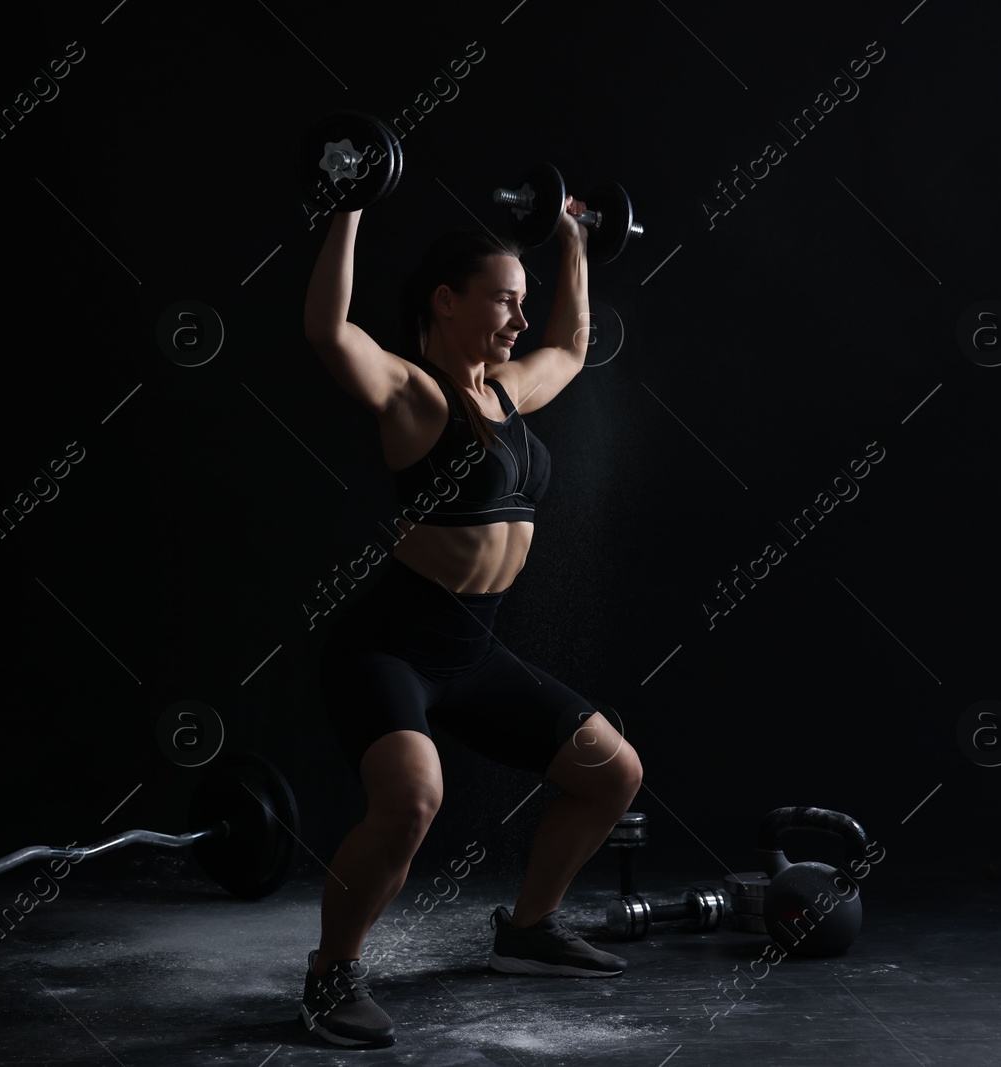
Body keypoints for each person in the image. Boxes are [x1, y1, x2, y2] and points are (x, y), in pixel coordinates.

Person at [297, 201, 644, 1049]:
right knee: (414, 799)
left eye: (523, 301)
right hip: (389, 649)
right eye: (501, 300)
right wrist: (348, 202)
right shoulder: (416, 396)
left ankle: (528, 932)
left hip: (472, 649)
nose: (520, 318)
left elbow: (570, 346)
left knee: (612, 773)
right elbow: (327, 331)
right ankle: (329, 976)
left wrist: (571, 243)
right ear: (446, 301)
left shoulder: (507, 391)